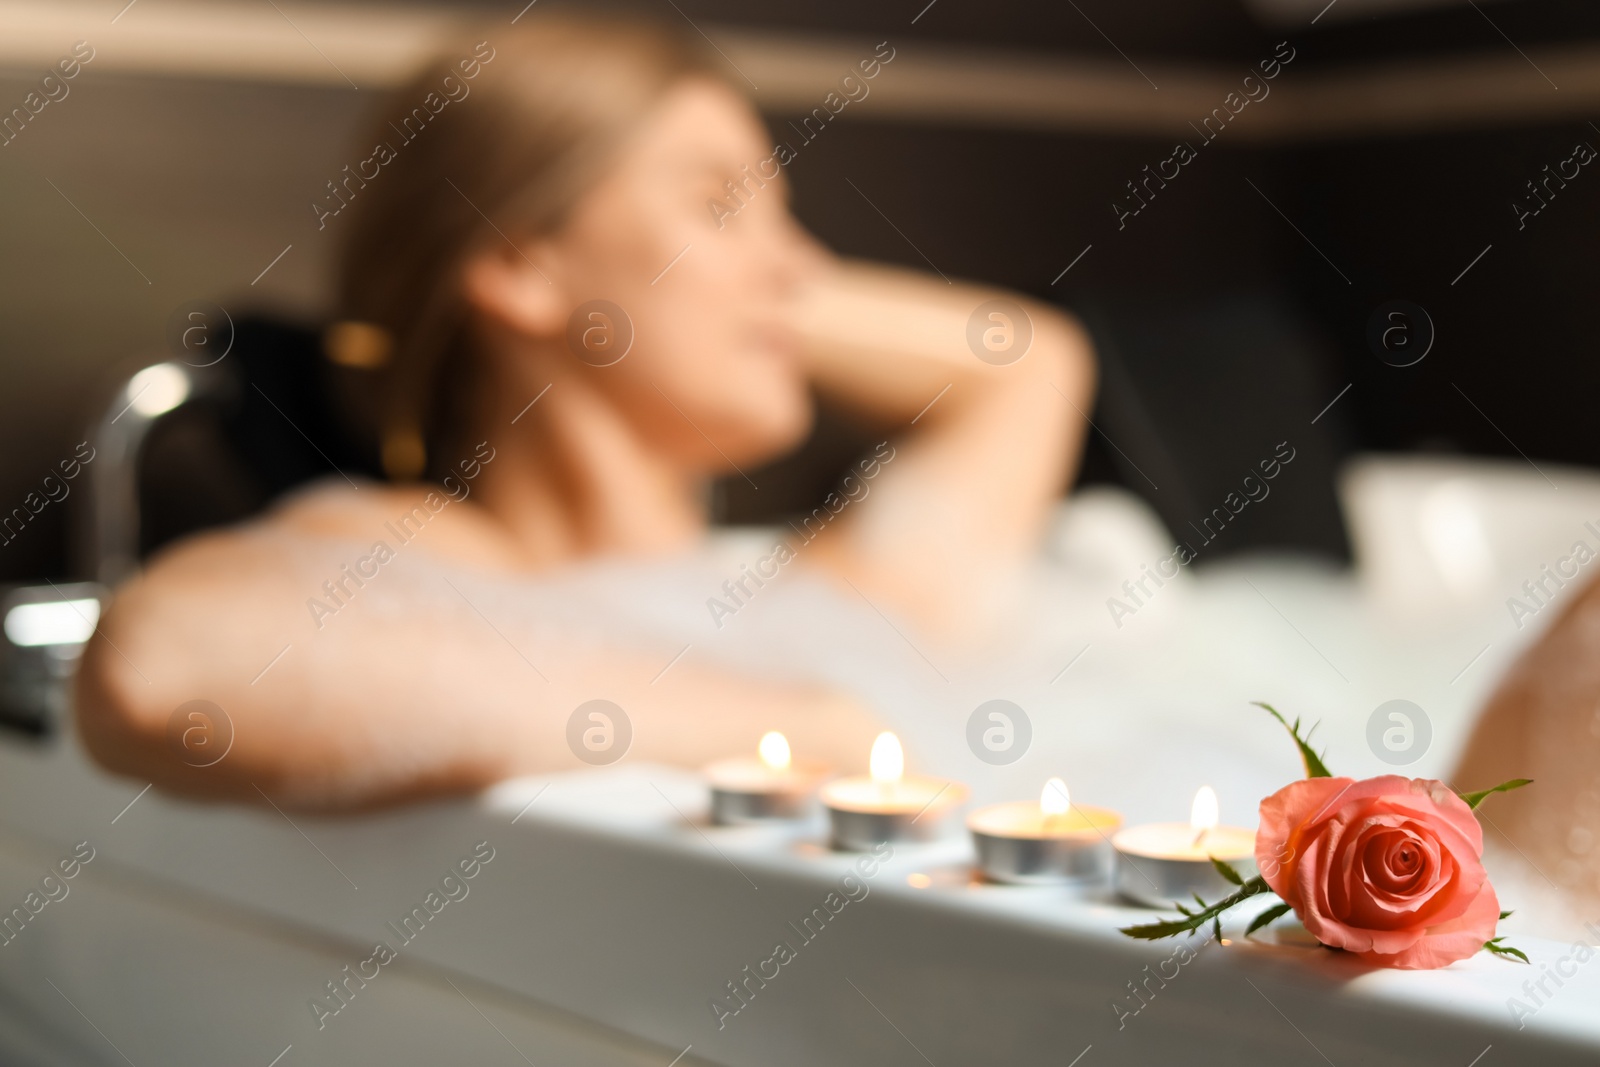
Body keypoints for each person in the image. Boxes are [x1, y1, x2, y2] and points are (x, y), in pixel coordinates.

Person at [75, 17, 1095, 810]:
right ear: (518, 261)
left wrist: (745, 287)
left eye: (785, 216)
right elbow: (165, 670)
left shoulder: (839, 592)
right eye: (717, 204)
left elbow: (1028, 365)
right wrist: (812, 728)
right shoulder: (435, 556)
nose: (801, 262)